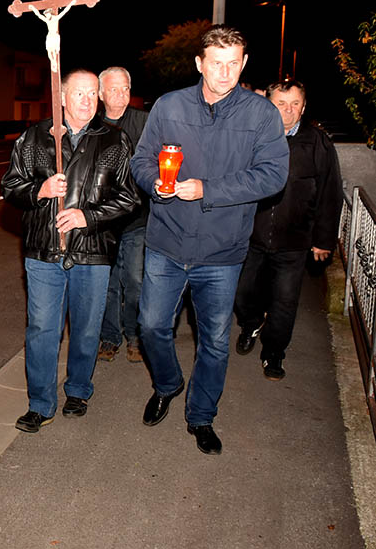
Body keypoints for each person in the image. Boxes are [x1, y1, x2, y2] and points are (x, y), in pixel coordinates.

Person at [131, 25, 289, 455]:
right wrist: (154, 184)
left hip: (222, 250)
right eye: (216, 63)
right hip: (167, 240)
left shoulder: (261, 114)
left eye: (233, 63)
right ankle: (167, 383)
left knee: (215, 341)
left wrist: (208, 190)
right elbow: (142, 159)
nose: (225, 72)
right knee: (151, 326)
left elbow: (274, 175)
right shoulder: (170, 105)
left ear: (244, 63)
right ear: (200, 64)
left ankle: (201, 416)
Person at [1, 69, 139, 433]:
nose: (87, 100)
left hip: (92, 252)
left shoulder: (113, 140)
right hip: (43, 251)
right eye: (79, 93)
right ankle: (40, 403)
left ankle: (78, 389)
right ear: (62, 98)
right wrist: (40, 191)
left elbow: (129, 198)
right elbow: (11, 187)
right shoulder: (34, 138)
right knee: (43, 329)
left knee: (86, 328)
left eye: (93, 93)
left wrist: (87, 217)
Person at [234, 79, 343, 379]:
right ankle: (251, 322)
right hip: (250, 236)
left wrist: (323, 239)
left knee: (284, 300)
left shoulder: (317, 142)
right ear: (268, 104)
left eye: (295, 103)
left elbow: (330, 193)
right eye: (281, 103)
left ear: (304, 107)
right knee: (242, 293)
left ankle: (273, 353)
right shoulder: (252, 138)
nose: (288, 110)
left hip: (294, 240)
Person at [97, 67, 149, 364]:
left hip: (137, 219)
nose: (120, 94)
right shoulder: (92, 125)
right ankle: (110, 336)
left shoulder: (145, 122)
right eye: (114, 89)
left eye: (125, 88)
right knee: (107, 283)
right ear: (102, 94)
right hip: (102, 224)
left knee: (136, 280)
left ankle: (135, 336)